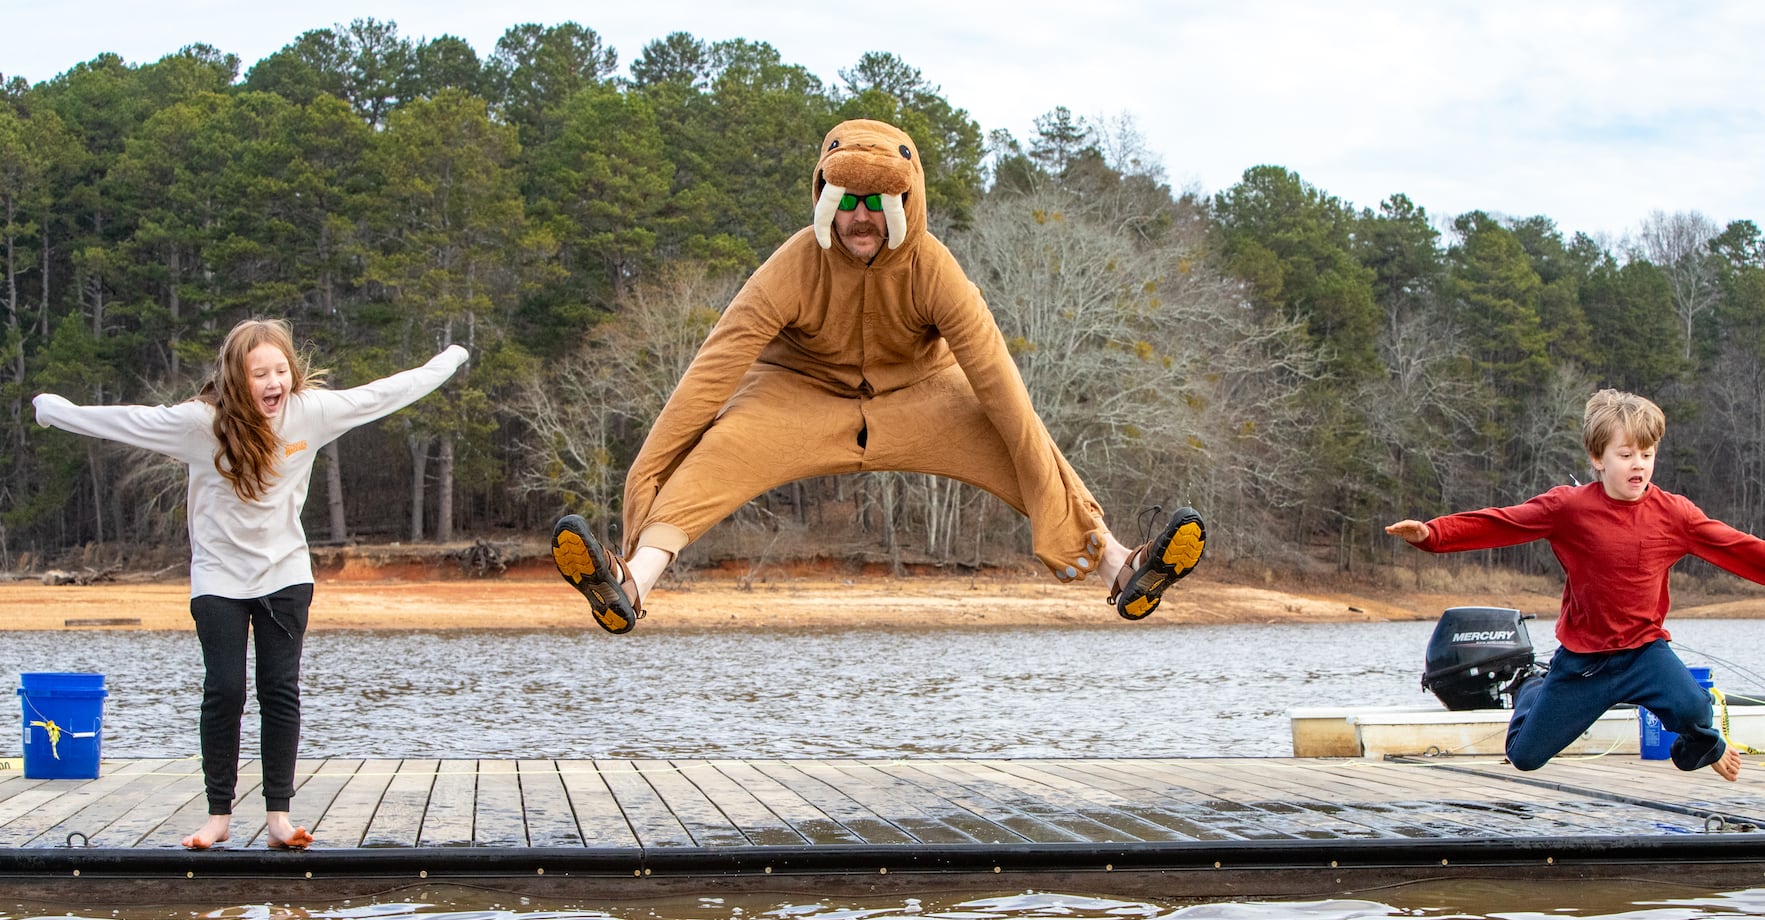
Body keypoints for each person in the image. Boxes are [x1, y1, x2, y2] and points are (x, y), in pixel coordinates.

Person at [549, 118, 1205, 634]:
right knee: (717, 450)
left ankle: (1122, 568)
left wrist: (1045, 485)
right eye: (846, 201)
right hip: (798, 392)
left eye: (876, 202)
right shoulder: (792, 266)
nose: (860, 217)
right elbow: (708, 377)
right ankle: (630, 582)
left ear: (905, 201)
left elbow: (999, 384)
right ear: (823, 200)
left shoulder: (932, 268)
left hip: (922, 393)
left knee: (1021, 437)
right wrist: (639, 495)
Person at [34, 319, 468, 848]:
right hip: (217, 577)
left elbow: (381, 394)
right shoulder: (201, 425)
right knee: (224, 691)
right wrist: (55, 411)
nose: (273, 382)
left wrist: (446, 361)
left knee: (279, 692)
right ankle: (219, 817)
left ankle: (279, 818)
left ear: (293, 373)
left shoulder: (311, 412)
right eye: (259, 373)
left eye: (281, 370)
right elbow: (130, 422)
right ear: (236, 379)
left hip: (285, 574)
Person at [1386, 388, 1750, 781]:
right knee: (1524, 755)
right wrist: (1432, 534)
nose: (1638, 465)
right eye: (1625, 455)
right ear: (1598, 458)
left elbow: (1735, 547)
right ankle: (1529, 686)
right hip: (1584, 663)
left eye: (1647, 455)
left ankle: (1699, 748)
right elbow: (1505, 522)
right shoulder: (1569, 508)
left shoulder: (1674, 515)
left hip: (1645, 654)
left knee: (1696, 712)